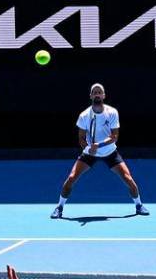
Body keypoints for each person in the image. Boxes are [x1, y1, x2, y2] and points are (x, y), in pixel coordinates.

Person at [51, 83, 150, 219]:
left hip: (110, 152)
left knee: (128, 179)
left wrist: (98, 145)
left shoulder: (112, 112)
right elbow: (81, 138)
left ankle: (139, 205)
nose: (97, 94)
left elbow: (114, 136)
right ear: (91, 96)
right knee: (71, 178)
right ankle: (59, 207)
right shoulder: (84, 115)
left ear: (103, 95)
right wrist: (88, 148)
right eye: (94, 92)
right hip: (89, 153)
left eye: (99, 92)